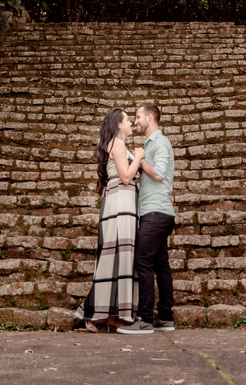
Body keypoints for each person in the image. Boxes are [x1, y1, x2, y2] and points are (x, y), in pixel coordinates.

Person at [74, 108, 145, 330]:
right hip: (121, 202)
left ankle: (113, 314)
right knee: (119, 256)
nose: (131, 123)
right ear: (118, 125)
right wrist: (140, 156)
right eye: (127, 120)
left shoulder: (115, 144)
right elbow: (125, 176)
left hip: (120, 202)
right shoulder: (119, 143)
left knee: (118, 257)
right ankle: (92, 312)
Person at [118, 101, 176, 335]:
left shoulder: (160, 142)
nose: (137, 121)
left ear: (150, 117)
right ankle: (165, 317)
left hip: (156, 213)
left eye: (139, 116)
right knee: (161, 266)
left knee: (142, 260)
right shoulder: (151, 143)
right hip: (158, 213)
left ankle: (144, 319)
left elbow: (160, 174)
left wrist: (139, 160)